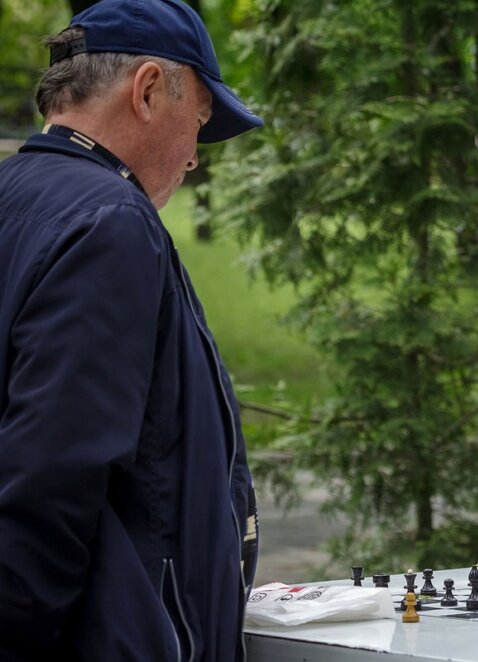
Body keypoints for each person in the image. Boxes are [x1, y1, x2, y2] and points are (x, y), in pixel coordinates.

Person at [0, 0, 264, 658]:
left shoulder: (15, 192)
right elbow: (51, 477)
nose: (192, 158)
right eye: (197, 123)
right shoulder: (110, 221)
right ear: (148, 90)